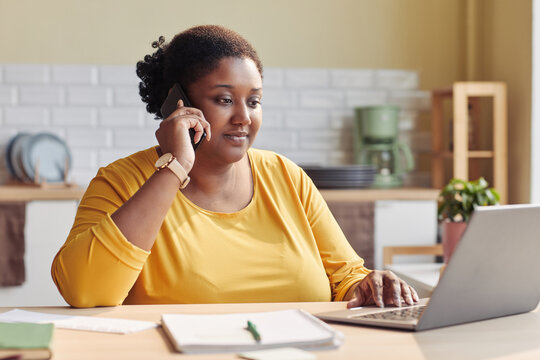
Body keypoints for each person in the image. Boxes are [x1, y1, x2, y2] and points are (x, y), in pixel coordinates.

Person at [51, 25, 418, 308]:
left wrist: (370, 286)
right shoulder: (121, 182)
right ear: (177, 103)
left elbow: (346, 278)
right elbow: (85, 292)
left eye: (254, 101)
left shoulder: (286, 176)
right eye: (224, 99)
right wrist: (175, 168)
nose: (244, 117)